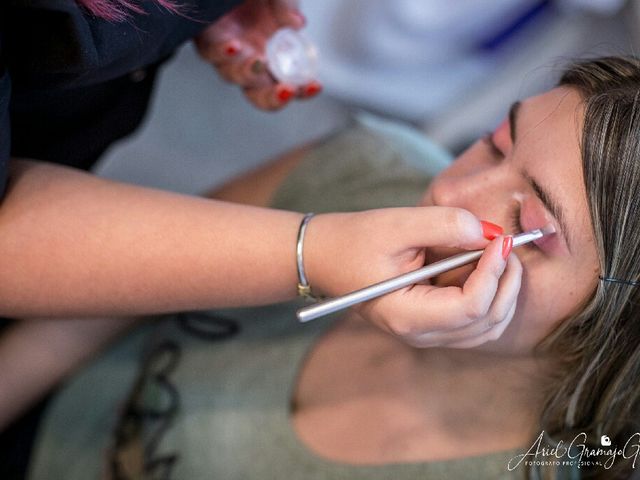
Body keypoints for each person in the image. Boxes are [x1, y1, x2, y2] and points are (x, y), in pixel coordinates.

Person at [14, 55, 640, 479]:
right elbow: (107, 292)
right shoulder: (363, 167)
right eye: (494, 143)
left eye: (525, 223)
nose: (447, 197)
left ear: (617, 324)